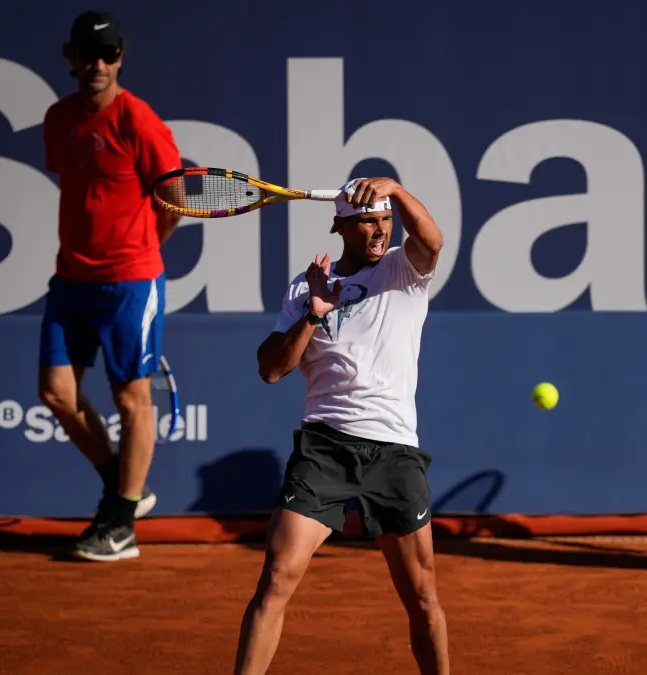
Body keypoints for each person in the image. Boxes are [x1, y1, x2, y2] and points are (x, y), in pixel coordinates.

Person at [234, 177, 449, 675]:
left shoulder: (404, 268)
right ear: (340, 227)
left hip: (394, 451)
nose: (380, 230)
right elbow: (271, 369)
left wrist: (396, 189)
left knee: (422, 595)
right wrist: (313, 313)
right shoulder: (305, 286)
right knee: (276, 578)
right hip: (324, 449)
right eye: (368, 221)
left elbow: (433, 240)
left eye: (385, 220)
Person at [39, 10, 182, 562]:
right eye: (88, 54)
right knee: (56, 393)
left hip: (129, 281)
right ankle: (125, 491)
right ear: (70, 57)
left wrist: (141, 249)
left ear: (121, 57)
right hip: (71, 279)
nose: (98, 64)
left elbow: (174, 200)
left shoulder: (139, 121)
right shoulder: (58, 120)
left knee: (131, 397)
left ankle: (120, 525)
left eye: (109, 54)